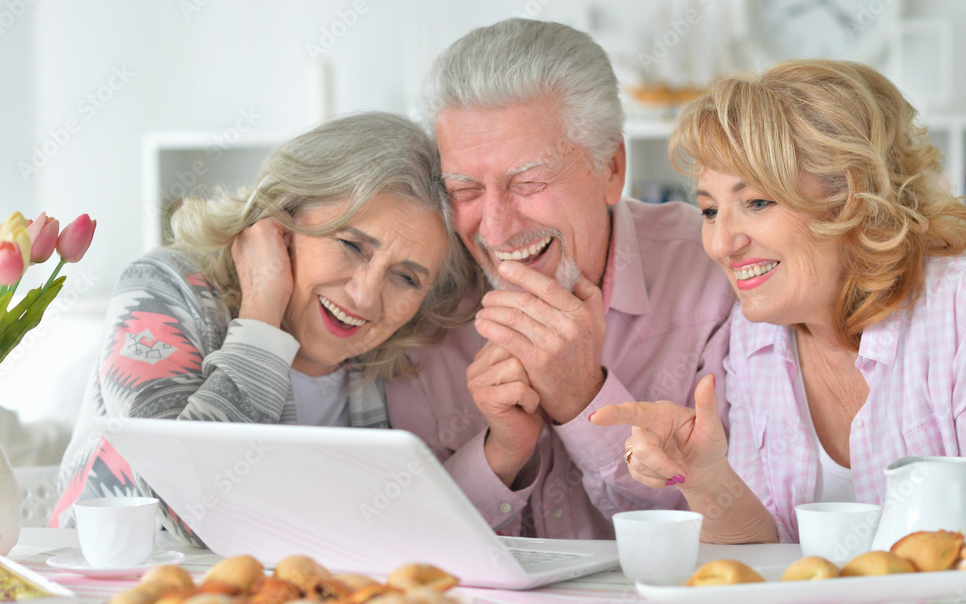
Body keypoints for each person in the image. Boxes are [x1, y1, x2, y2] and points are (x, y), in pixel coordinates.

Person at [51, 112, 484, 544]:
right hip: (103, 596)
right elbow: (186, 511)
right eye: (352, 246)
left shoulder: (385, 362)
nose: (366, 296)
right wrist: (261, 310)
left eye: (406, 278)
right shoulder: (163, 287)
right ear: (283, 218)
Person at [384, 19, 736, 539]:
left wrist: (581, 399)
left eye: (529, 182)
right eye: (464, 189)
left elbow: (729, 521)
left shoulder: (713, 270)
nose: (496, 228)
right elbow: (410, 541)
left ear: (612, 168)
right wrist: (500, 453)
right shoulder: (420, 300)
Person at [592, 59, 966, 544]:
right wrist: (706, 479)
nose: (721, 244)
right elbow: (770, 556)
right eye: (709, 210)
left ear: (855, 200)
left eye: (757, 202)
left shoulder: (954, 309)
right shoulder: (756, 338)